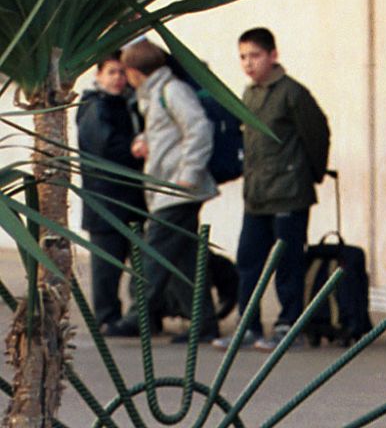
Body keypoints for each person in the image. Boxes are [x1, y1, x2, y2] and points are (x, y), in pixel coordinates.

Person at [215, 27, 330, 352]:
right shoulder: (250, 93)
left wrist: (310, 174)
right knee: (248, 261)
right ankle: (248, 326)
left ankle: (288, 325)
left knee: (288, 262)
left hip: (288, 193)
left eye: (255, 55)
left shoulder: (292, 93)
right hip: (257, 194)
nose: (248, 63)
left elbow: (317, 133)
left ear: (273, 55)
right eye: (243, 57)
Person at [107, 37, 219, 342]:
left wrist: (188, 174)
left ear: (134, 72)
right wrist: (144, 140)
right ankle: (204, 324)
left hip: (177, 190)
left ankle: (137, 318)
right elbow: (167, 132)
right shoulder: (154, 94)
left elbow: (199, 128)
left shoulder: (171, 91)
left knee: (153, 256)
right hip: (167, 188)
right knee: (183, 261)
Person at [75, 56, 146, 334]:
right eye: (112, 72)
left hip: (130, 200)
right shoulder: (95, 106)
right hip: (105, 201)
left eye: (122, 72)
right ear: (99, 76)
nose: (118, 78)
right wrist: (135, 147)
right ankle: (106, 318)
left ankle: (136, 318)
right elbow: (106, 148)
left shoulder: (127, 103)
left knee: (139, 264)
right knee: (106, 267)